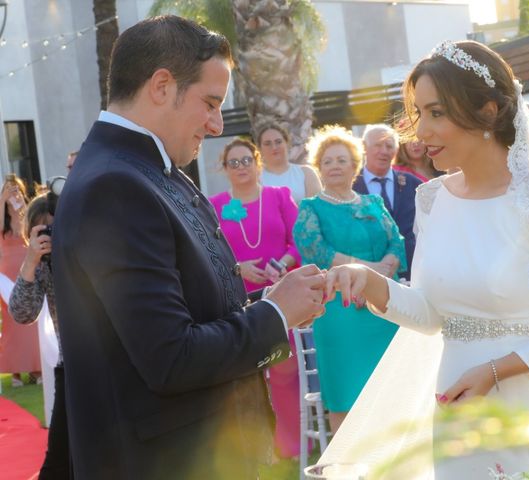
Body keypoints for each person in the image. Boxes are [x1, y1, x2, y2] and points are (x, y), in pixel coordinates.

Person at [319, 40, 529, 478]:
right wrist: (367, 281)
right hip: (456, 409)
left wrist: (496, 370)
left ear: (487, 111)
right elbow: (432, 314)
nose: (420, 132)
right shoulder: (432, 201)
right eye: (418, 114)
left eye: (436, 113)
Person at [51, 15, 325, 480]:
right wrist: (276, 316)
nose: (217, 124)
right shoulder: (115, 185)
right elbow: (171, 359)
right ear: (161, 86)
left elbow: (191, 311)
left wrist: (279, 303)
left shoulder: (150, 171)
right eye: (210, 102)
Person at [293, 125, 406, 432]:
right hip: (339, 311)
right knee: (345, 394)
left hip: (382, 310)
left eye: (342, 160)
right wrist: (367, 271)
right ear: (319, 167)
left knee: (390, 391)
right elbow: (319, 252)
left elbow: (396, 241)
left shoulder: (374, 204)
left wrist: (385, 266)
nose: (334, 166)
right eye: (328, 161)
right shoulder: (311, 209)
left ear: (355, 166)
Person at [209, 137, 303, 459]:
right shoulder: (216, 205)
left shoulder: (278, 197)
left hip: (281, 293)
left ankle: (290, 443)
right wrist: (238, 268)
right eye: (233, 162)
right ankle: (255, 445)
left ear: (257, 162)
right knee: (247, 372)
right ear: (224, 168)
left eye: (246, 160)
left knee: (284, 368)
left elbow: (298, 241)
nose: (241, 167)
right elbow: (209, 254)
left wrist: (284, 264)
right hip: (238, 297)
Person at [9, 193, 71, 478]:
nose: (52, 236)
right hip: (70, 369)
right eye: (44, 231)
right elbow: (22, 313)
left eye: (57, 227)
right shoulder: (42, 265)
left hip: (111, 365)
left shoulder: (92, 253)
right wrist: (31, 261)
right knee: (58, 461)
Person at [353, 124, 422, 280]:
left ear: (396, 151)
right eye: (377, 145)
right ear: (364, 147)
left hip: (413, 273)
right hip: (368, 275)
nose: (384, 151)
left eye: (389, 146)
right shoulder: (351, 186)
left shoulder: (413, 185)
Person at [0, 174, 41, 387]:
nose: (13, 192)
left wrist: (21, 204)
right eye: (9, 189)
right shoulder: (2, 216)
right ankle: (15, 372)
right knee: (12, 322)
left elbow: (31, 227)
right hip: (7, 273)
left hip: (27, 267)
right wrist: (2, 201)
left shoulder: (23, 210)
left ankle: (36, 368)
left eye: (16, 188)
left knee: (31, 319)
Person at [257, 123, 322, 203]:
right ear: (259, 149)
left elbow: (316, 208)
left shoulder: (306, 173)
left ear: (287, 143)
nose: (274, 147)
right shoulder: (255, 178)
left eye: (278, 142)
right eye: (267, 143)